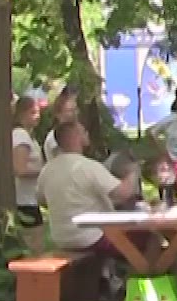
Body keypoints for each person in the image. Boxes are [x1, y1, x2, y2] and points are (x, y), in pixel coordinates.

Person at [36, 121, 139, 261]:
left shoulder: (47, 170)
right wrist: (132, 172)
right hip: (92, 238)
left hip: (61, 239)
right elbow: (123, 193)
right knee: (149, 237)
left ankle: (113, 273)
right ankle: (146, 271)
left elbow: (42, 200)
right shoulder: (87, 166)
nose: (87, 134)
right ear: (77, 137)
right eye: (84, 131)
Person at [10, 96, 46, 253]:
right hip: (24, 200)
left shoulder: (29, 136)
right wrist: (44, 170)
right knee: (35, 246)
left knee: (36, 243)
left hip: (31, 198)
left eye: (38, 112)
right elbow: (20, 169)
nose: (37, 116)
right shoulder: (20, 136)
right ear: (22, 114)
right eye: (33, 112)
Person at [42, 87, 80, 163]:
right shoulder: (53, 138)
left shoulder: (75, 133)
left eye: (75, 109)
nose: (75, 114)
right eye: (70, 110)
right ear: (58, 114)